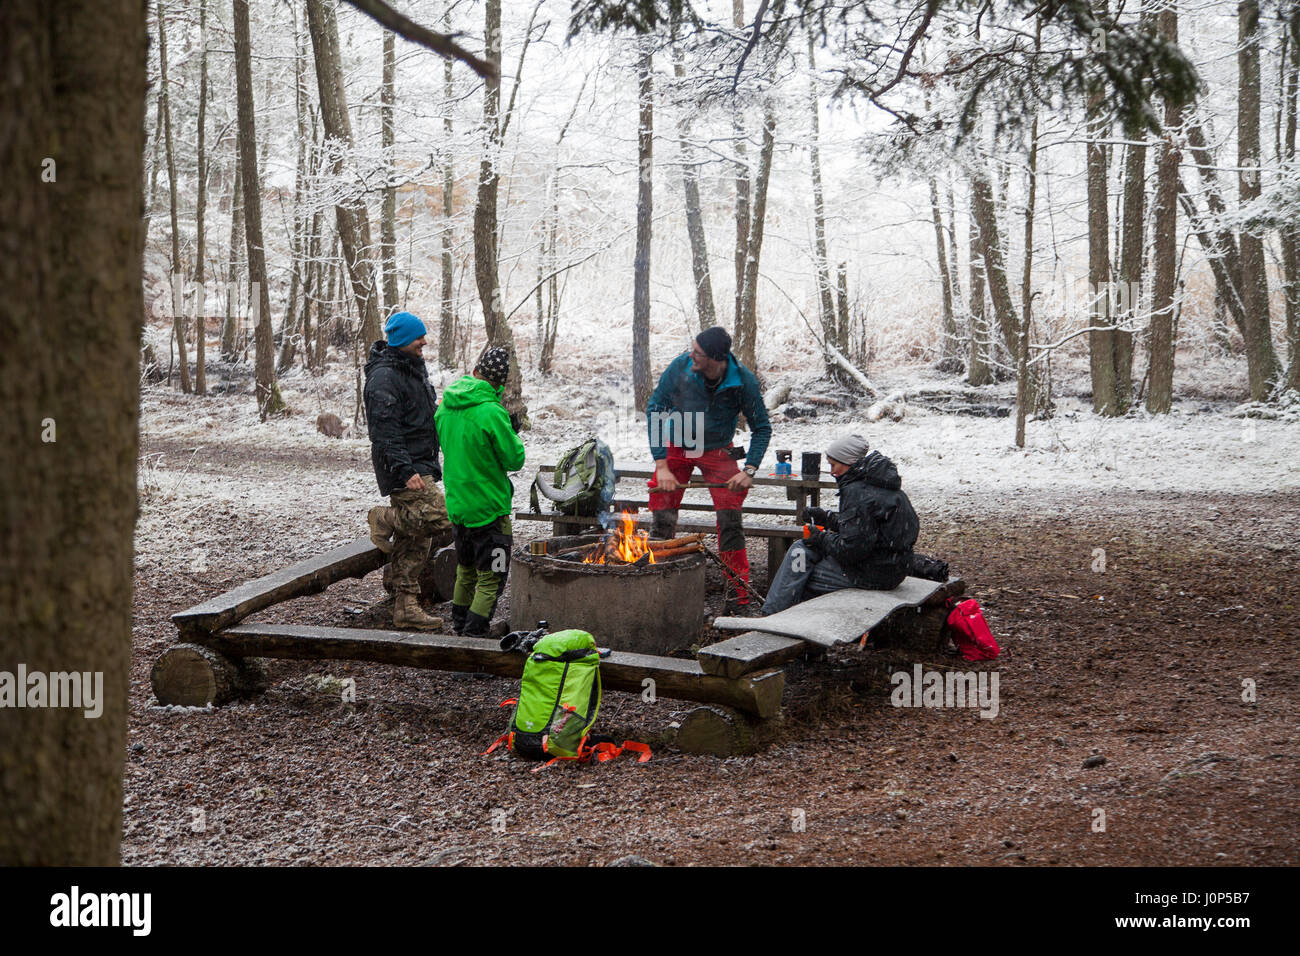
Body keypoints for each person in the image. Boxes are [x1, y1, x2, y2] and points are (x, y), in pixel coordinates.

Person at [646, 326, 771, 608]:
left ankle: (737, 596)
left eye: (698, 353)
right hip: (677, 445)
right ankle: (656, 587)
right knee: (662, 515)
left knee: (730, 520)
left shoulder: (743, 382)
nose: (691, 355)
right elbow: (655, 409)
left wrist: (748, 470)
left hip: (717, 450)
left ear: (715, 358)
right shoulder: (681, 367)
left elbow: (762, 428)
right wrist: (661, 465)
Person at [363, 311, 453, 631]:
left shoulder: (411, 368)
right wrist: (403, 470)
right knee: (446, 516)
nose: (424, 342)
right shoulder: (383, 377)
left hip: (421, 463)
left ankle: (405, 606)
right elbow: (384, 432)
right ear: (401, 339)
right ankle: (383, 517)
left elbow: (415, 414)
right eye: (418, 337)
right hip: (405, 467)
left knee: (416, 537)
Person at [762, 434, 919, 615]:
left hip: (874, 574)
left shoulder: (856, 491)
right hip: (894, 567)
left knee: (799, 564)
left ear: (849, 462)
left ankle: (772, 615)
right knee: (801, 565)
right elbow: (866, 529)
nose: (832, 471)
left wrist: (820, 538)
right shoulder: (883, 483)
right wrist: (827, 518)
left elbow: (851, 550)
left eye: (834, 465)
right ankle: (787, 613)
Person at [435, 346, 526, 637]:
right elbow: (515, 459)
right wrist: (511, 431)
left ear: (475, 371)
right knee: (492, 578)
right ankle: (473, 640)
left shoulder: (445, 406)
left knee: (466, 570)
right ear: (500, 384)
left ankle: (460, 631)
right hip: (490, 511)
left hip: (459, 507)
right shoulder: (491, 412)